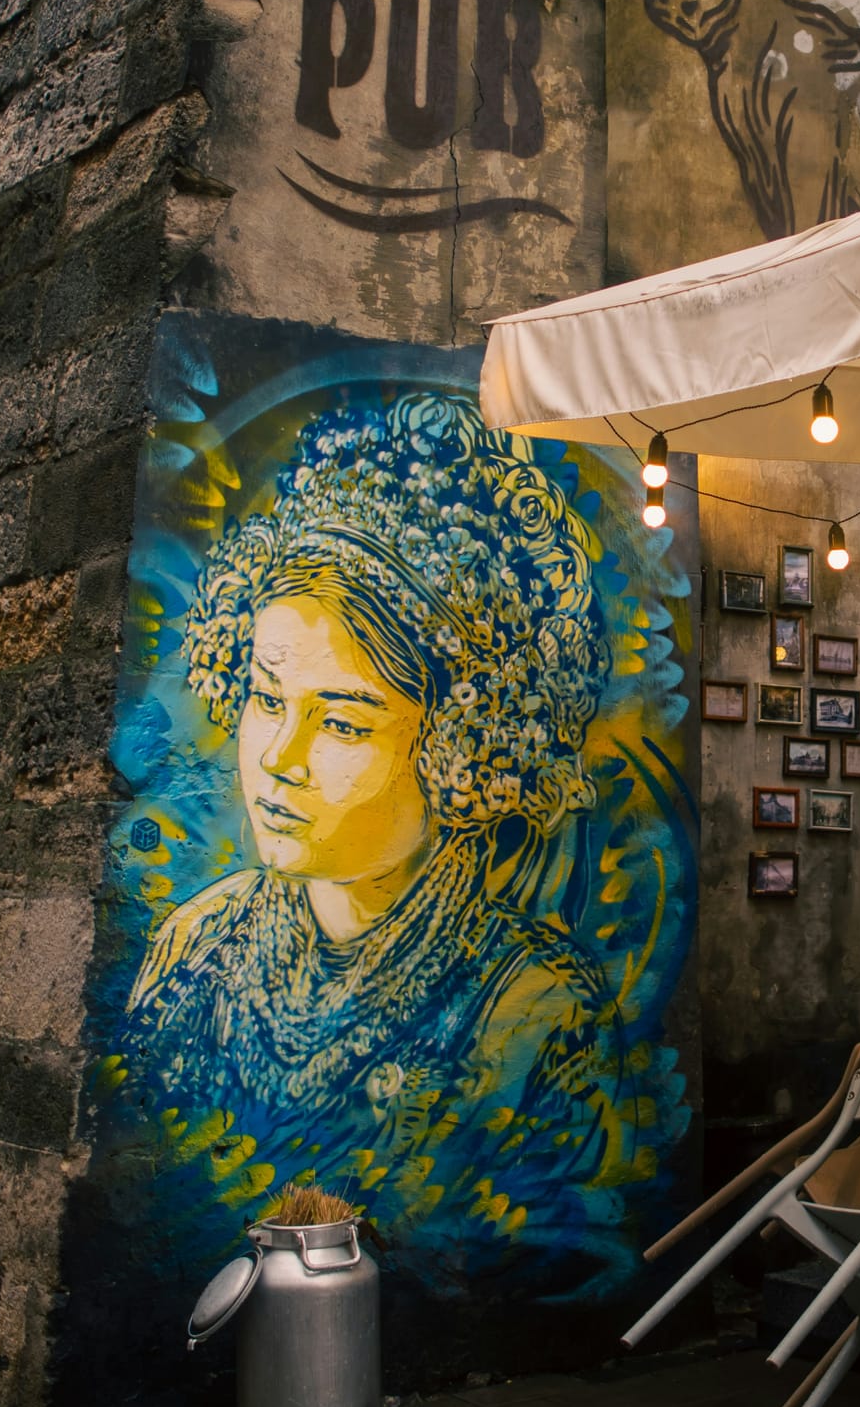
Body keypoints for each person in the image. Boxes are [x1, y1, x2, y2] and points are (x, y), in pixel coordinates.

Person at [119, 391, 645, 1276]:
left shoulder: (534, 1015)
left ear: (459, 749)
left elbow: (547, 1272)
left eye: (346, 723)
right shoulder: (192, 948)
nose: (279, 758)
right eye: (265, 698)